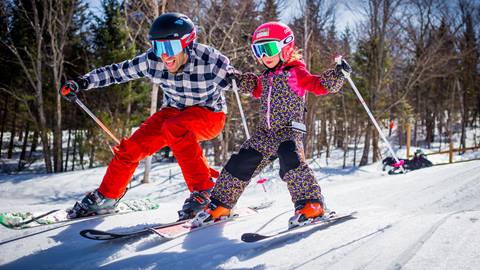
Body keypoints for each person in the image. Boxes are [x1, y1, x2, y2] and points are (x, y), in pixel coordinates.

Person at [60, 13, 236, 220]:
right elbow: (117, 72)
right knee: (131, 147)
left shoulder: (209, 60)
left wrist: (244, 82)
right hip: (173, 113)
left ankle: (204, 192)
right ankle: (107, 196)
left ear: (187, 43)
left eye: (170, 48)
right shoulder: (152, 61)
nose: (164, 56)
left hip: (209, 115)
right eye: (158, 47)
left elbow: (240, 82)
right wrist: (82, 82)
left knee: (175, 126)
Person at [192, 22, 351, 228]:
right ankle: (220, 205)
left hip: (289, 129)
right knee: (240, 162)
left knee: (291, 160)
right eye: (259, 50)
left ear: (285, 47)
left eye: (269, 49)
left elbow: (319, 85)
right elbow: (256, 87)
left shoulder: (296, 73)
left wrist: (337, 75)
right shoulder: (266, 77)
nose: (264, 56)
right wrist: (238, 80)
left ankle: (311, 204)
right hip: (266, 133)